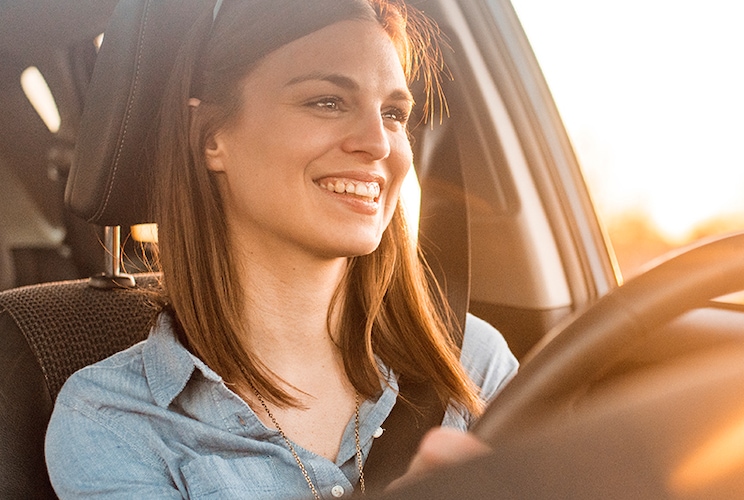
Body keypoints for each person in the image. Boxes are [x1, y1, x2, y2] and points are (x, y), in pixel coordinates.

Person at [44, 0, 519, 498]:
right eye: (327, 101)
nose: (378, 142)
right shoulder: (114, 421)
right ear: (210, 135)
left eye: (394, 113)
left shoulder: (468, 358)